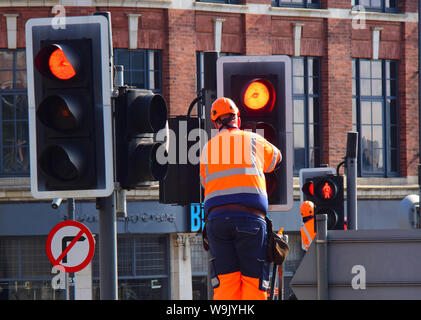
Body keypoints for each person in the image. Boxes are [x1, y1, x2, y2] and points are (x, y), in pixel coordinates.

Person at [200, 97, 282, 300]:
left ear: (215, 122)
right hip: (250, 221)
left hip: (217, 223)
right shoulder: (252, 139)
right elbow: (276, 159)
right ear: (237, 117)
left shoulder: (207, 149)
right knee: (254, 285)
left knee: (226, 286)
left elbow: (205, 182)